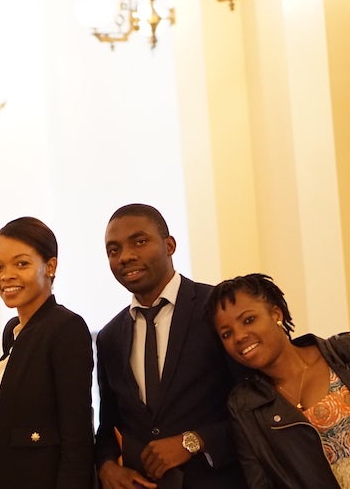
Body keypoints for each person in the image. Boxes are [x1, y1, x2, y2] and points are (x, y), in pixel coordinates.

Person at [205, 273, 350, 488]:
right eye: (227, 334)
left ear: (276, 314)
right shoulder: (244, 406)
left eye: (249, 320)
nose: (239, 336)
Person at [94, 204, 246, 489]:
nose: (126, 256)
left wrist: (194, 441)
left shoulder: (216, 307)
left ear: (169, 245)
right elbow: (108, 423)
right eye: (113, 250)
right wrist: (106, 466)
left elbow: (255, 408)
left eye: (139, 242)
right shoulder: (110, 337)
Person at [0, 216, 96, 488]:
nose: (6, 275)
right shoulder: (14, 330)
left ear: (50, 266)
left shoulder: (66, 328)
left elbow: (77, 432)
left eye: (21, 263)